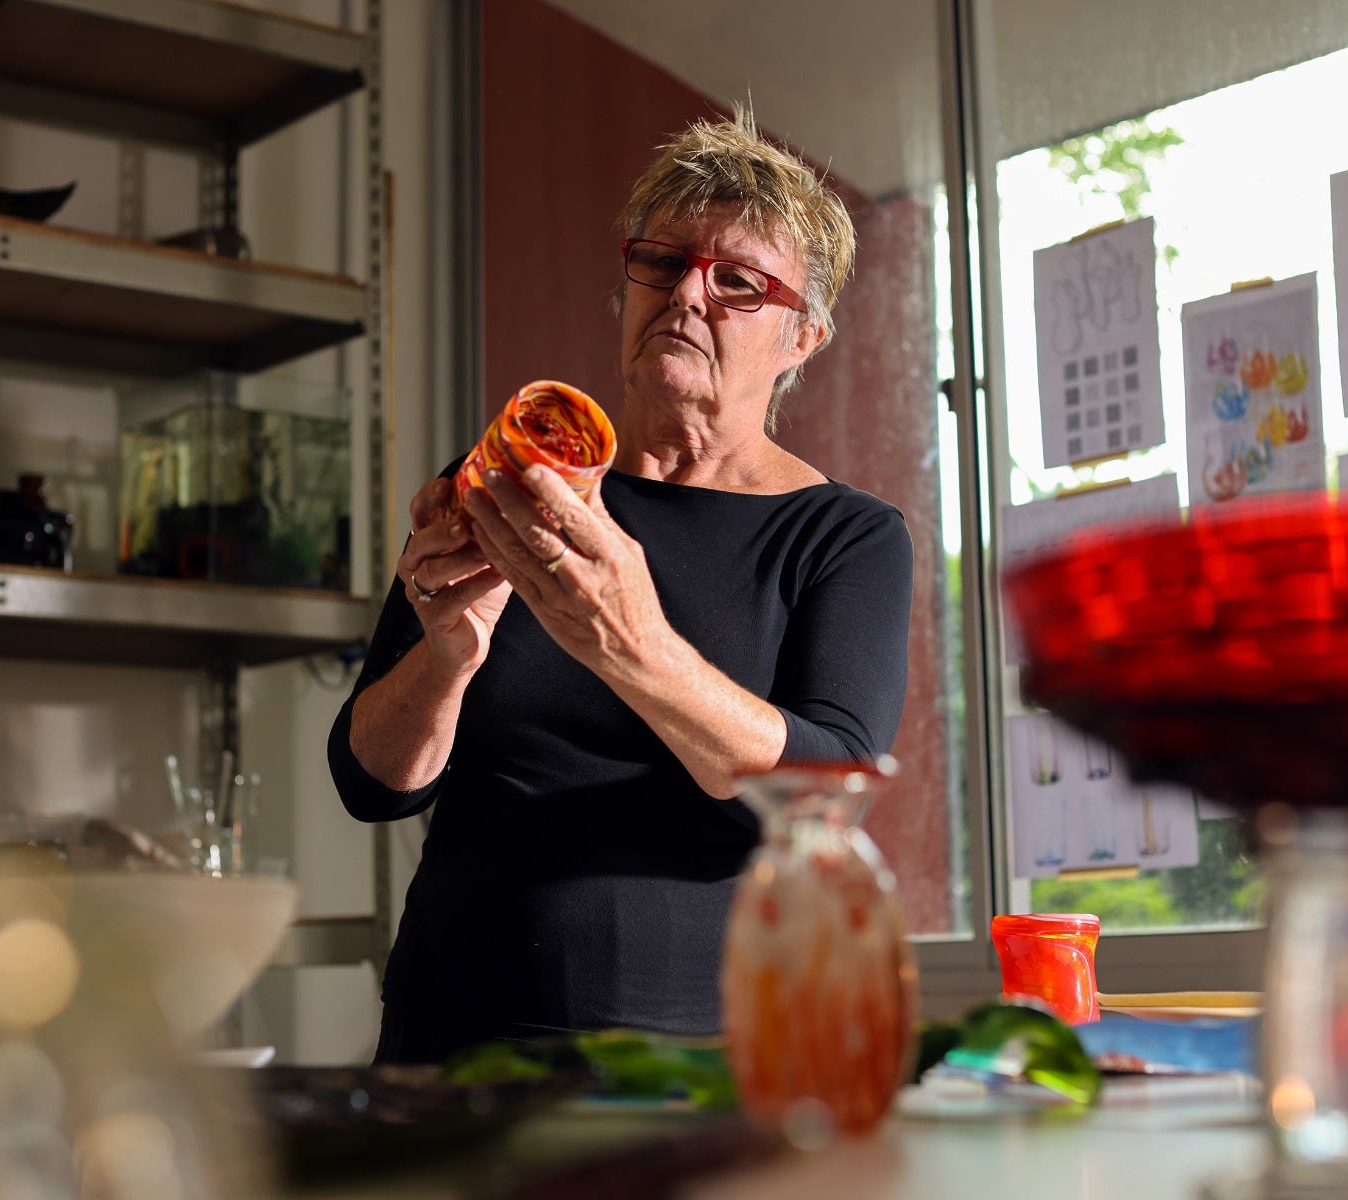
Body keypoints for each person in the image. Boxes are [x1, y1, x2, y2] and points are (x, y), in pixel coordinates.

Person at [327, 107, 914, 1064]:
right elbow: (370, 785)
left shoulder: (844, 535)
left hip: (709, 1060)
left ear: (802, 338)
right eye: (663, 262)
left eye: (737, 281)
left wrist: (631, 642)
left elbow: (826, 789)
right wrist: (445, 658)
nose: (689, 296)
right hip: (450, 1043)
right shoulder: (517, 490)